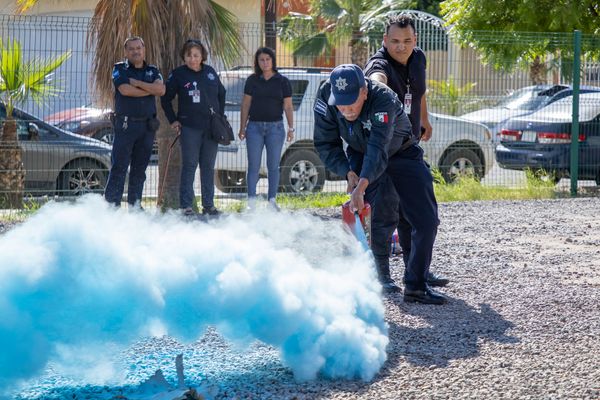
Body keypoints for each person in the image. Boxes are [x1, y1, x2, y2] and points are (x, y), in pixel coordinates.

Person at [313, 64, 446, 304]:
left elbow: (379, 147)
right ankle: (362, 281)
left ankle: (416, 285)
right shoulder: (325, 97)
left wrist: (362, 184)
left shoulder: (383, 99)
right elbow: (325, 143)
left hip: (400, 151)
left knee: (426, 221)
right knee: (366, 220)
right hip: (360, 153)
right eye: (340, 103)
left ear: (364, 91)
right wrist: (348, 172)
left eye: (351, 101)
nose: (346, 109)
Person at [364, 14, 449, 288]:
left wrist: (424, 119)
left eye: (407, 41)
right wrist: (379, 85)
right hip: (385, 149)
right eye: (395, 41)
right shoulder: (378, 64)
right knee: (385, 212)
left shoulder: (419, 58)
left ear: (415, 40)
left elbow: (419, 92)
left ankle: (417, 271)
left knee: (412, 212)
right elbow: (376, 80)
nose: (401, 46)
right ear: (385, 40)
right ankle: (382, 275)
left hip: (409, 143)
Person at [161, 39, 225, 216]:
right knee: (189, 165)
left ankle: (209, 205)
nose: (192, 59)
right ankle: (186, 205)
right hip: (189, 128)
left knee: (208, 166)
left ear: (202, 56)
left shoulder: (210, 72)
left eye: (196, 55)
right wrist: (173, 120)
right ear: (184, 56)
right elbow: (165, 98)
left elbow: (222, 93)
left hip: (211, 129)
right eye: (189, 55)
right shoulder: (178, 74)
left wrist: (220, 116)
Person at [105, 36, 165, 209]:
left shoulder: (153, 71)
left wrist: (138, 83)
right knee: (119, 167)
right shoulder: (119, 69)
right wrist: (149, 89)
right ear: (126, 52)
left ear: (144, 49)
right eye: (131, 49)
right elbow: (125, 90)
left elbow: (160, 89)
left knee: (140, 169)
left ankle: (135, 206)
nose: (135, 51)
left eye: (138, 48)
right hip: (125, 125)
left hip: (147, 127)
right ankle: (111, 207)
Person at [238, 47, 294, 211]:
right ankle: (251, 201)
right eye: (261, 60)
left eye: (268, 59)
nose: (265, 62)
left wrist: (291, 128)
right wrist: (242, 128)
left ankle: (272, 200)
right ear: (257, 62)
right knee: (253, 165)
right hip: (254, 128)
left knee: (273, 166)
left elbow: (288, 106)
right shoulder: (252, 81)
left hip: (275, 129)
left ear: (273, 60)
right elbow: (246, 105)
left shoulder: (282, 81)